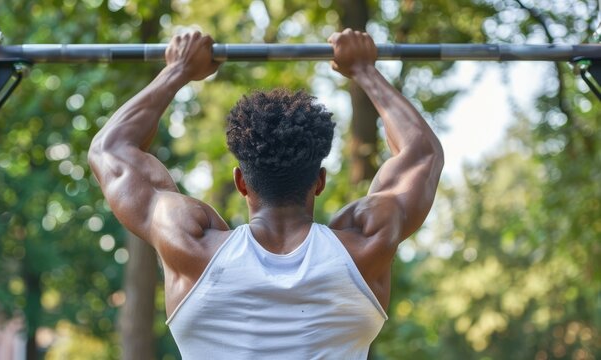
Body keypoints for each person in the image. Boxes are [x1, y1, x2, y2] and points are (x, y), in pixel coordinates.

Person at [88, 29, 443, 359]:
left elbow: (111, 149)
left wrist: (178, 70)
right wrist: (365, 70)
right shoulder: (365, 245)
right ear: (318, 181)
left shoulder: (189, 247)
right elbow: (421, 154)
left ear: (241, 182)